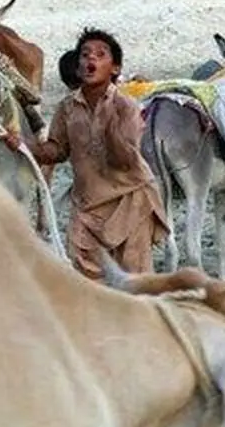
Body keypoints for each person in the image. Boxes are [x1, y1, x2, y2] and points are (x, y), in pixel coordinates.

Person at [30, 29, 168, 280]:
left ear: (114, 68)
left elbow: (124, 161)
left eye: (100, 54)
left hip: (129, 203)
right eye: (85, 54)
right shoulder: (67, 108)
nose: (90, 59)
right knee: (87, 288)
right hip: (86, 210)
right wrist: (23, 145)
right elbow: (57, 150)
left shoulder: (126, 107)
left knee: (136, 286)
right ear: (78, 64)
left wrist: (111, 127)